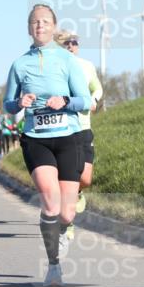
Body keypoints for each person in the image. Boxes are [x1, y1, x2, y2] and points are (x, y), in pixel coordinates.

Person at [3, 5, 90, 286]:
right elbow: (7, 104)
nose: (39, 26)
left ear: (53, 26)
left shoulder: (67, 60)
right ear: (29, 29)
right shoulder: (19, 64)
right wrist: (19, 103)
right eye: (34, 22)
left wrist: (64, 101)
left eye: (44, 21)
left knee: (66, 212)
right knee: (50, 203)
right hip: (36, 138)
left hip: (68, 137)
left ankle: (63, 230)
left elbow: (85, 101)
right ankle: (53, 265)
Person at [56, 30, 103, 239]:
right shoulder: (55, 68)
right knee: (67, 178)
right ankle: (68, 222)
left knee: (85, 179)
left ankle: (78, 193)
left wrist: (94, 99)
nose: (71, 46)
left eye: (74, 42)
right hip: (64, 129)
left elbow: (97, 88)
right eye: (67, 43)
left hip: (84, 127)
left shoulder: (87, 66)